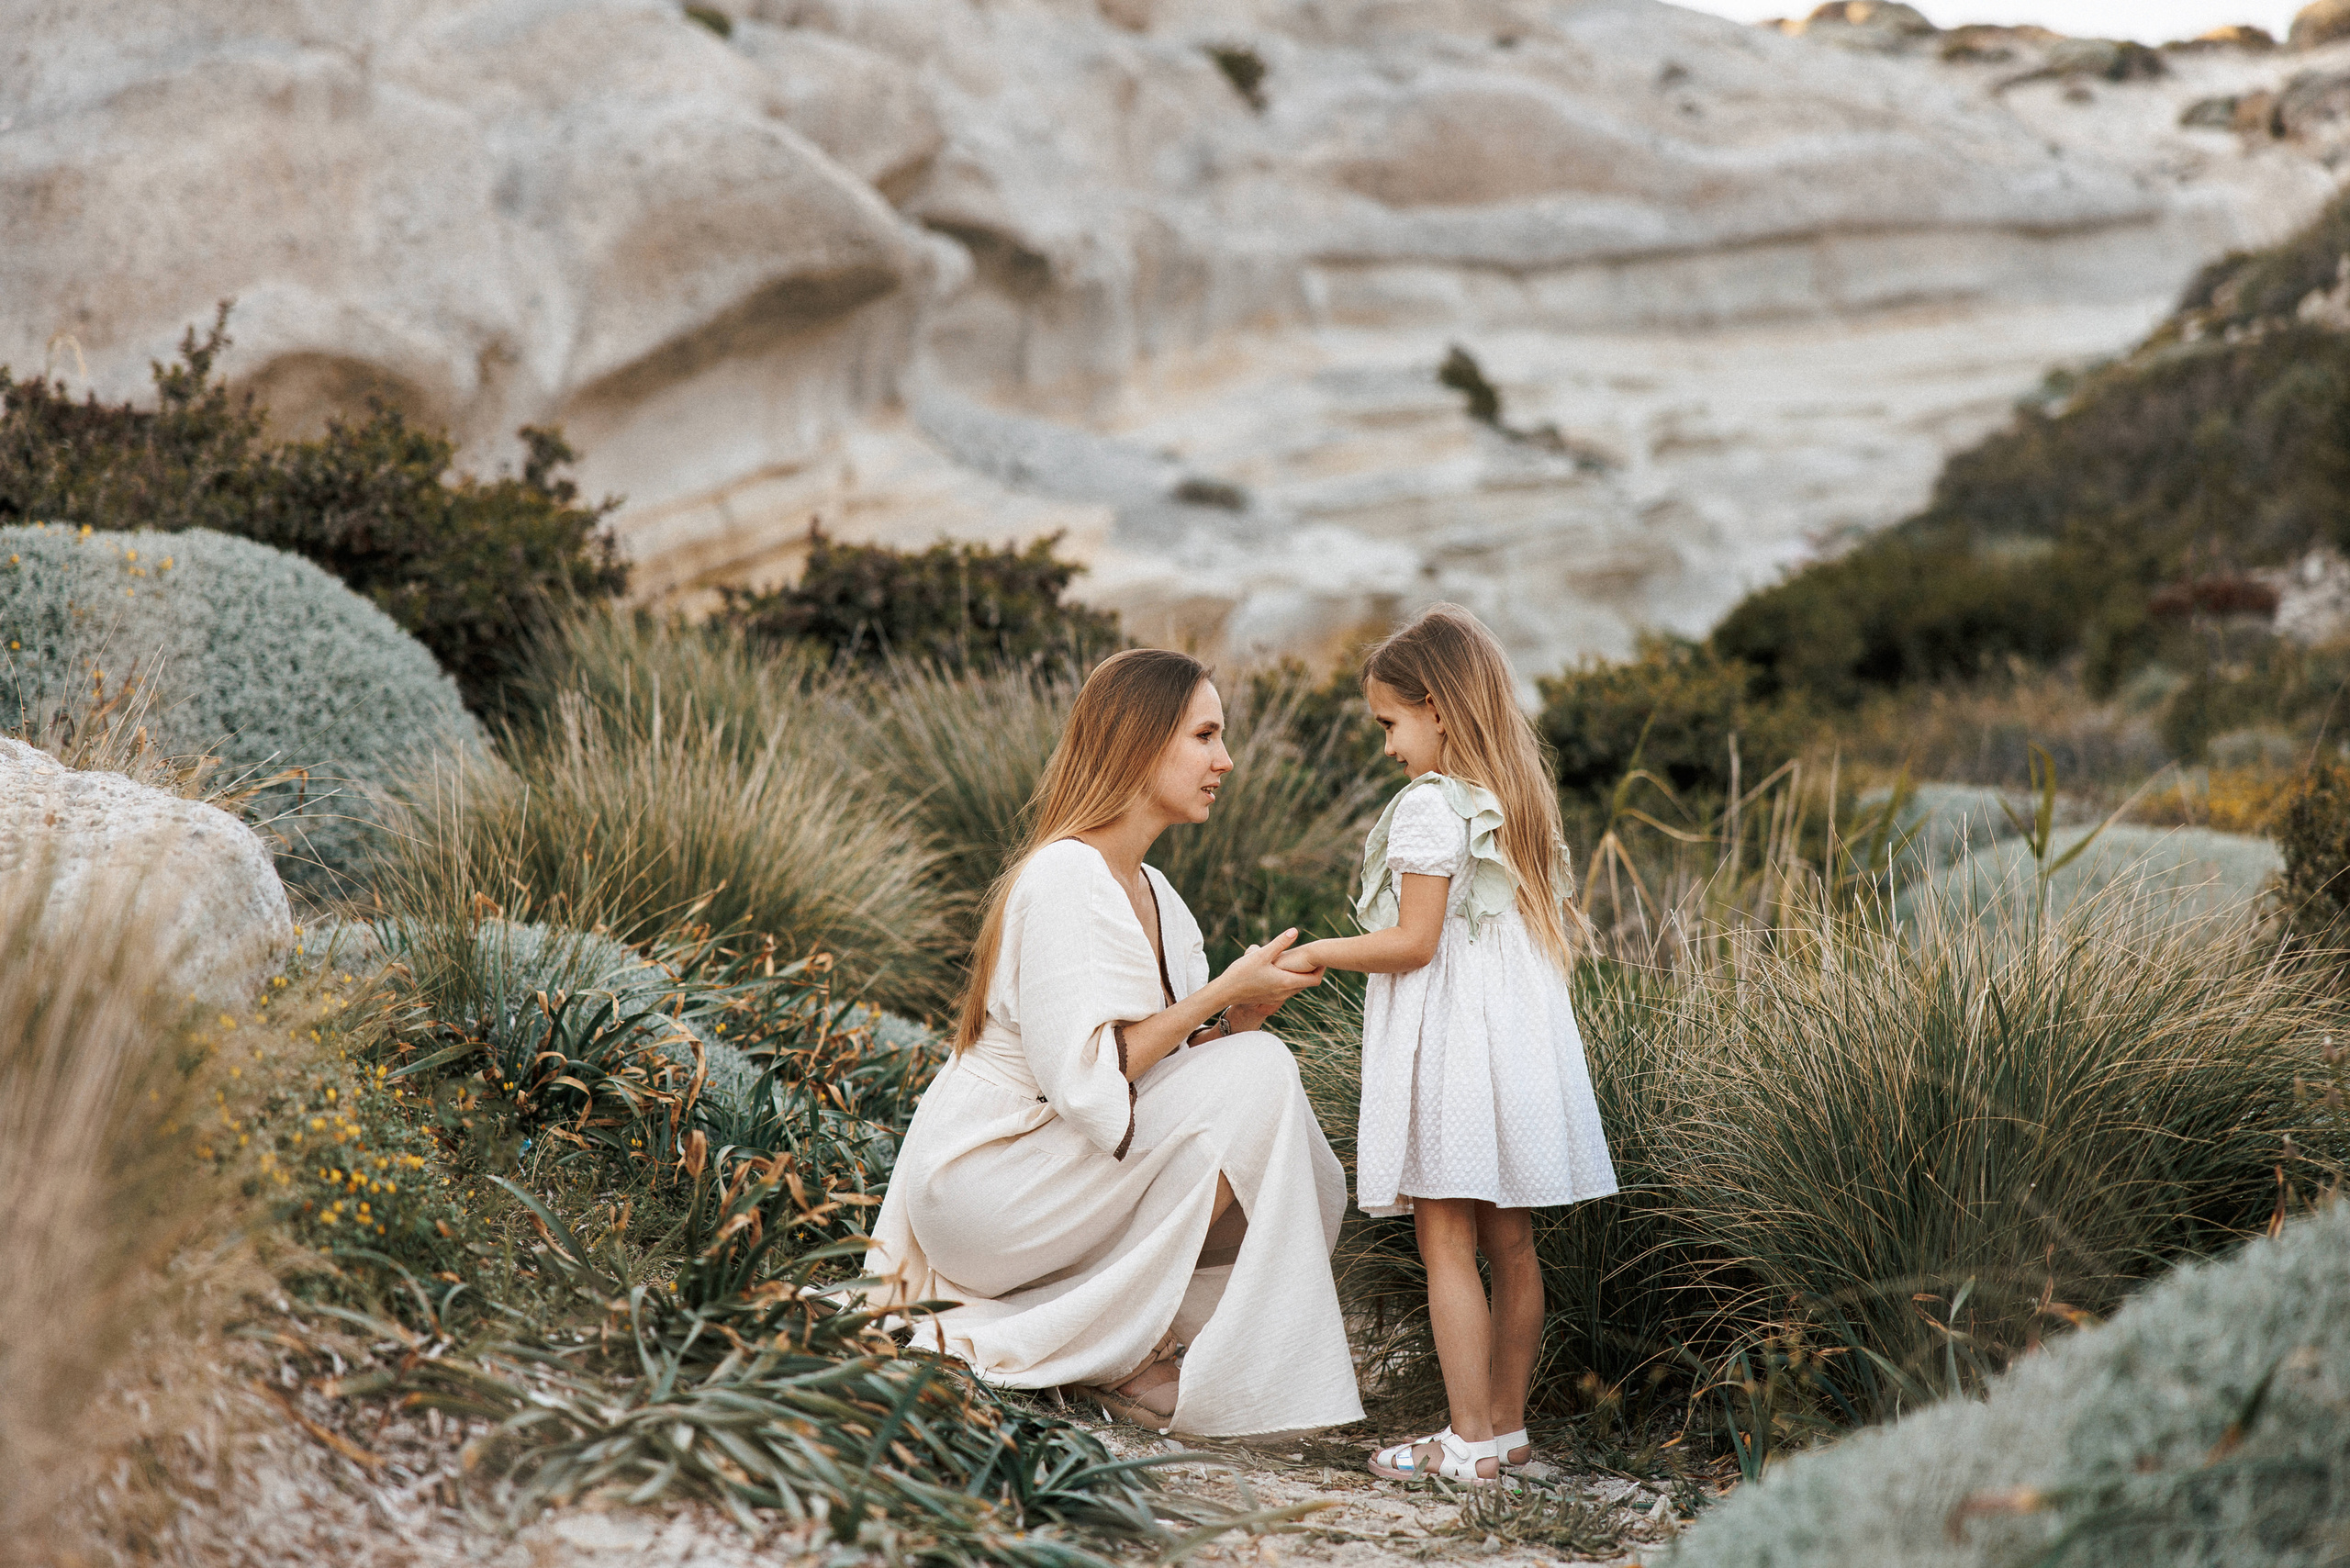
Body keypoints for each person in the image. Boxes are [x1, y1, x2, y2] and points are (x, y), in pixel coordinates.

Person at [861, 647, 1367, 1438]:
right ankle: (1123, 1352)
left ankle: (1124, 1338)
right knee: (1261, 1077)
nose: (1224, 761)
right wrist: (1220, 993)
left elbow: (1159, 1074)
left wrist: (1228, 1024)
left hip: (1049, 1163)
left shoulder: (1158, 893)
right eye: (1205, 736)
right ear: (1141, 740)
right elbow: (1088, 1082)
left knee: (1261, 1086)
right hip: (985, 1182)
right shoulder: (1064, 875)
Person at [1276, 605, 1617, 1482]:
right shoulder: (1514, 799)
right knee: (1513, 1247)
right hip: (1514, 1044)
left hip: (1454, 1048)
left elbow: (1415, 942)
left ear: (1435, 707)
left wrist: (1317, 951)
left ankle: (1463, 1439)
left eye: (1390, 723)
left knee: (1444, 1244)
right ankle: (1504, 1431)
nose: (1388, 747)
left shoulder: (1430, 806)